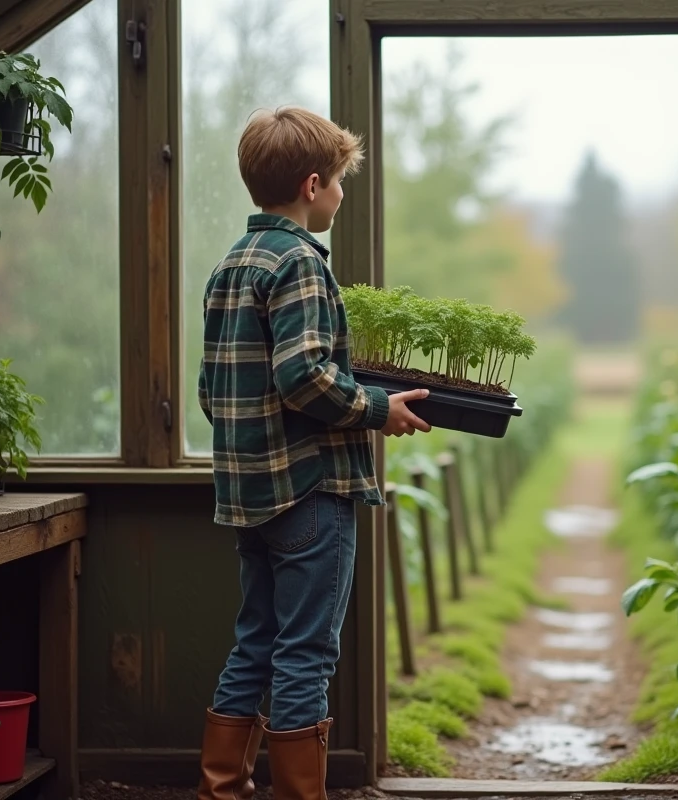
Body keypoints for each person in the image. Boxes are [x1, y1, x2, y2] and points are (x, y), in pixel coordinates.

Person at [195, 106, 430, 800]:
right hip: (308, 495)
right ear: (312, 183)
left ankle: (220, 791)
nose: (342, 195)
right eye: (339, 183)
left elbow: (214, 392)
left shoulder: (230, 265)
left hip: (250, 500)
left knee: (254, 646)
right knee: (305, 656)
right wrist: (380, 409)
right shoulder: (299, 261)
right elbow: (303, 377)